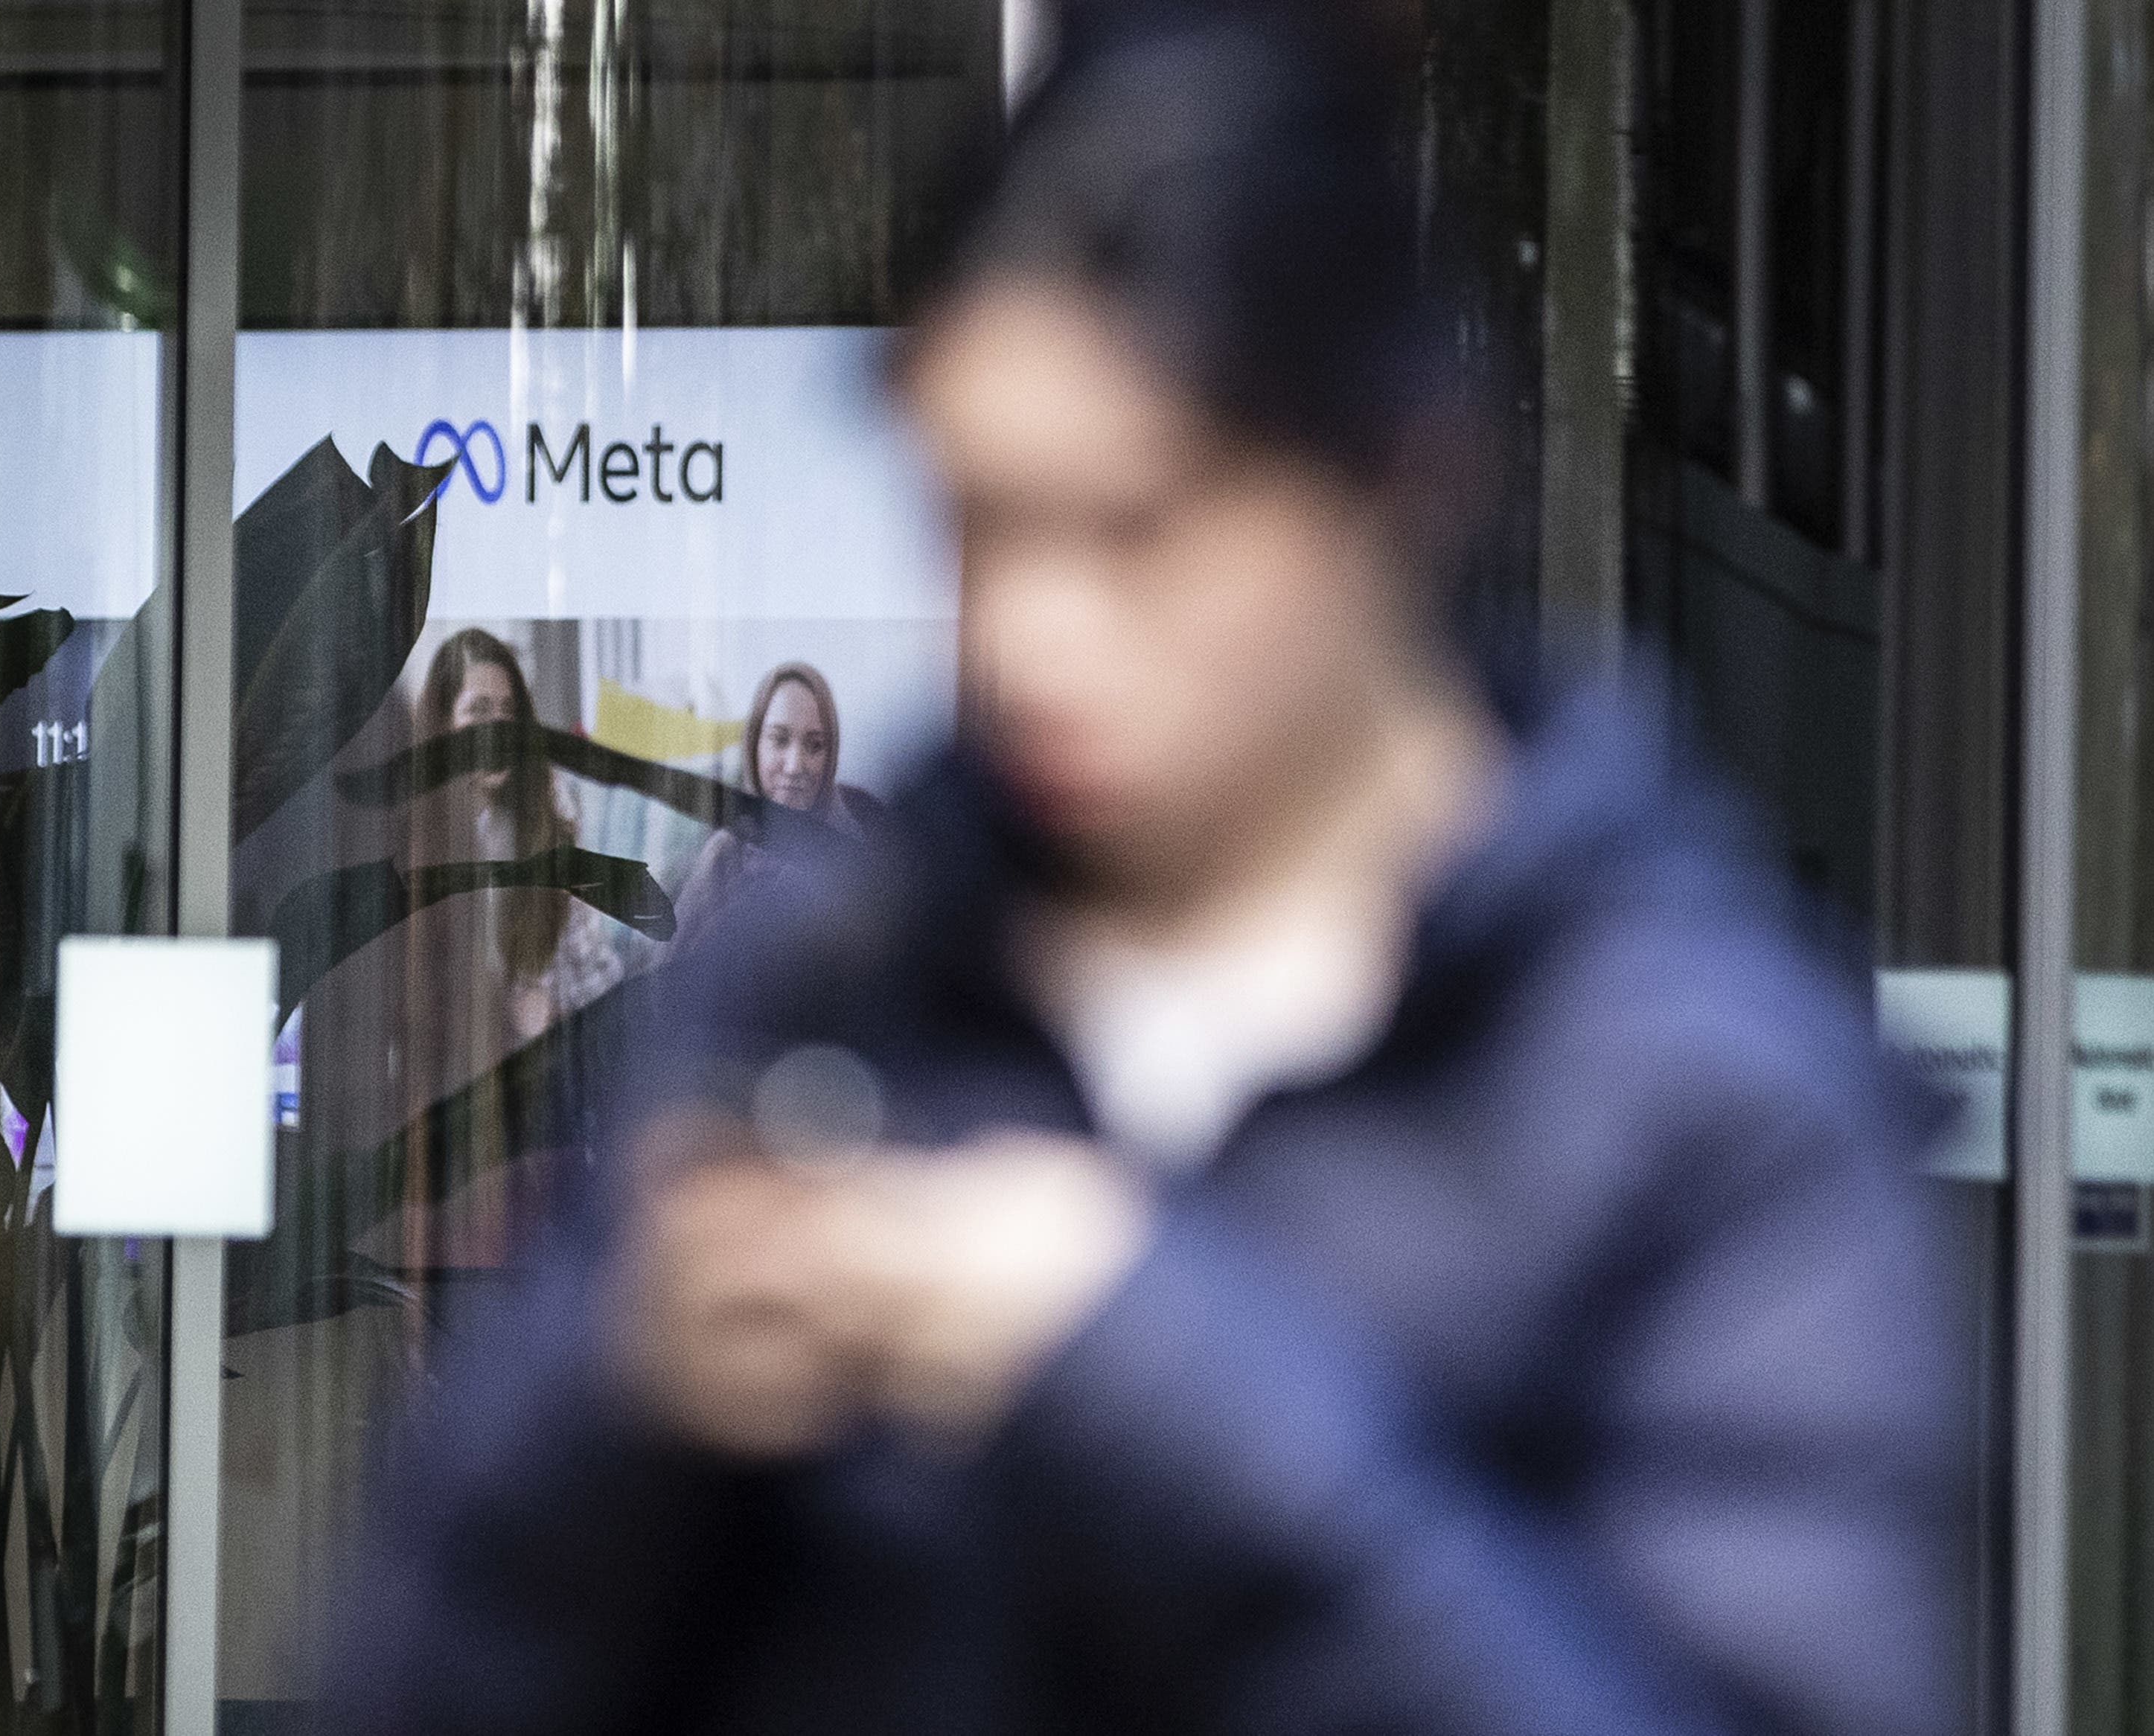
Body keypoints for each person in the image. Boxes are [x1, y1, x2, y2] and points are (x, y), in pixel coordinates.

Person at [328, 9, 1966, 1736]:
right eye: (974, 522)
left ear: (1390, 487)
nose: (1028, 631)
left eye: (1131, 529)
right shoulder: (837, 964)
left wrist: (1146, 1379)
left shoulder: (1694, 1089)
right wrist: (616, 1404)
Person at [407, 627, 624, 1049]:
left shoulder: (547, 818)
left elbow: (598, 987)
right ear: (444, 726)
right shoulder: (413, 835)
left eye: (508, 712)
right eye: (479, 711)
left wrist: (551, 1016)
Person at [672, 661, 882, 952]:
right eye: (779, 740)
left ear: (831, 754)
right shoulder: (722, 857)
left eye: (815, 745)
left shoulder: (858, 858)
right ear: (754, 746)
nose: (795, 766)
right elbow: (668, 980)